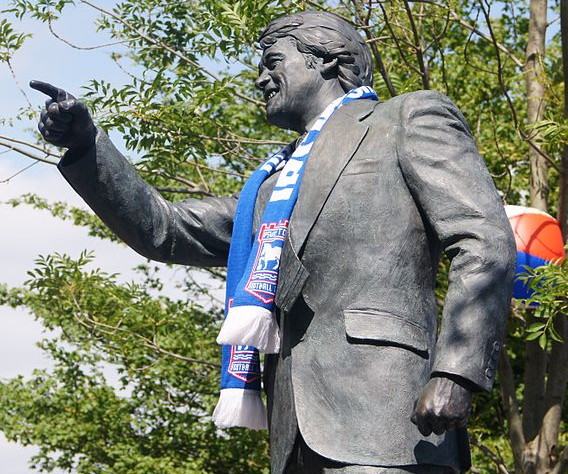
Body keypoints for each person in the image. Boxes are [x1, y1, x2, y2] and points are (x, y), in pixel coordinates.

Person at [31, 11, 516, 474]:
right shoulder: (269, 186)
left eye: (272, 62)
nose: (260, 79)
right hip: (294, 432)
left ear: (325, 58)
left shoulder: (407, 119)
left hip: (391, 418)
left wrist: (456, 370)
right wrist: (85, 145)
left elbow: (483, 240)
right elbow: (165, 230)